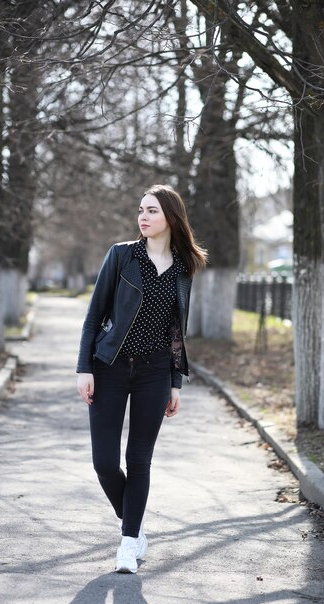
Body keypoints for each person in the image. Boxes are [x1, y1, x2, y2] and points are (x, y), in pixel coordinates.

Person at [76, 184, 208, 574]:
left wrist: (175, 383)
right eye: (140, 210)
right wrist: (84, 367)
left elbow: (176, 331)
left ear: (170, 216)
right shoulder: (121, 256)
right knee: (104, 463)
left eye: (151, 210)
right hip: (109, 367)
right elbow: (94, 315)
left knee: (139, 459)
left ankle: (128, 543)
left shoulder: (184, 268)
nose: (143, 217)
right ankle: (132, 522)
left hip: (153, 372)